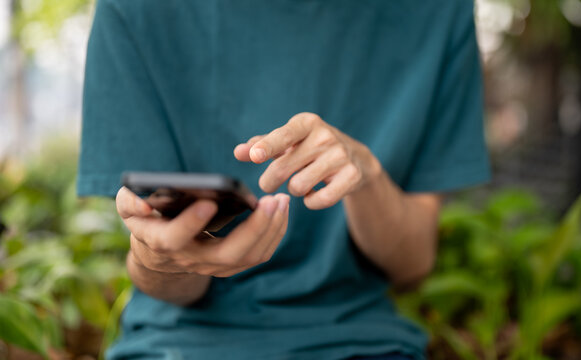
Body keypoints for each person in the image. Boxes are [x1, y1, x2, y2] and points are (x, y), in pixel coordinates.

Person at [78, 0, 490, 359]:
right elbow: (168, 283)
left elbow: (413, 263)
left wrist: (366, 176)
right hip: (182, 343)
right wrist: (163, 259)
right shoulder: (134, 10)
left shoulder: (439, 11)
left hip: (357, 341)